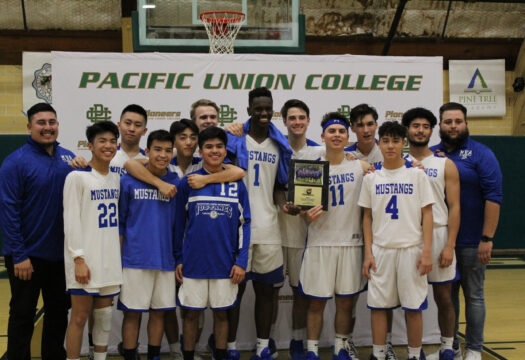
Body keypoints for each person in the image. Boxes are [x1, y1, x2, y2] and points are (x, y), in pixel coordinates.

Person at [0, 103, 74, 360]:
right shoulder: (15, 162)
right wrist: (19, 255)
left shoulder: (68, 158)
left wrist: (84, 167)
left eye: (51, 122)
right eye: (41, 123)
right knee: (22, 314)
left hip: (59, 258)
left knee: (57, 313)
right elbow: (8, 212)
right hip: (26, 258)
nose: (47, 127)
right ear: (29, 126)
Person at [430, 103, 502, 360]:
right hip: (442, 240)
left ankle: (474, 349)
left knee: (474, 296)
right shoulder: (431, 154)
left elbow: (494, 197)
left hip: (472, 241)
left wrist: (487, 238)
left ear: (466, 123)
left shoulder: (482, 154)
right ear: (440, 125)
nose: (452, 126)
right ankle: (451, 348)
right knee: (447, 299)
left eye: (457, 121)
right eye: (447, 121)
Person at [224, 87, 292, 360]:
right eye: (258, 108)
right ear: (249, 109)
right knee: (232, 293)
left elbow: (278, 186)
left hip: (268, 227)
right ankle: (229, 347)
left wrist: (285, 203)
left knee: (266, 293)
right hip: (236, 229)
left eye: (268, 108)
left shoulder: (279, 145)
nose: (264, 113)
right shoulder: (233, 140)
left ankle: (263, 346)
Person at [359, 121, 434, 360]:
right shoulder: (371, 177)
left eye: (395, 141)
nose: (390, 146)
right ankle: (378, 354)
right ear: (379, 143)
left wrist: (428, 250)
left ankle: (414, 354)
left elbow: (427, 214)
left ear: (404, 143)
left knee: (413, 307)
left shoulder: (417, 175)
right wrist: (368, 253)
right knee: (379, 307)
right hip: (381, 250)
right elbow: (367, 217)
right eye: (385, 141)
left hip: (411, 249)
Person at [175, 126, 251, 360]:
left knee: (222, 316)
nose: (214, 151)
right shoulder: (188, 183)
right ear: (200, 150)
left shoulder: (236, 184)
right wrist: (179, 258)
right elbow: (178, 225)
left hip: (225, 264)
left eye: (219, 146)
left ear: (225, 149)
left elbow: (246, 223)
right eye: (209, 147)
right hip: (194, 263)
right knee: (190, 316)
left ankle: (220, 355)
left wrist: (241, 261)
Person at [300, 112, 370, 360]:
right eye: (332, 131)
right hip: (320, 243)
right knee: (316, 302)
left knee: (345, 302)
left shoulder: (360, 167)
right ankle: (312, 350)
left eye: (341, 131)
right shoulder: (310, 170)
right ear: (322, 136)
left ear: (347, 136)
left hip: (351, 244)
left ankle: (340, 348)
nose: (337, 135)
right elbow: (301, 210)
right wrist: (305, 215)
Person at [401, 107, 461, 360]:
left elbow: (454, 207)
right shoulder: (397, 162)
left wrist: (449, 245)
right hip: (409, 237)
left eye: (426, 126)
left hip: (438, 233)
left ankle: (448, 346)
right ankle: (415, 351)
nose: (421, 130)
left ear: (432, 130)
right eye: (416, 125)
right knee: (412, 301)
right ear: (406, 130)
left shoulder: (444, 163)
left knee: (444, 296)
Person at [63, 121, 122, 360]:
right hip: (84, 258)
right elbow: (71, 221)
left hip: (108, 256)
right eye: (102, 141)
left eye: (111, 141)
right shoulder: (77, 176)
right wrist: (78, 258)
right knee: (78, 317)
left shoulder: (116, 178)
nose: (108, 146)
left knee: (104, 316)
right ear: (90, 145)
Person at [118, 130, 179, 360]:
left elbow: (177, 226)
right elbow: (121, 223)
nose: (162, 155)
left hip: (165, 261)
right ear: (147, 151)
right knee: (132, 315)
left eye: (166, 150)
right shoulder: (128, 181)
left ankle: (153, 356)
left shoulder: (176, 182)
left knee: (159, 313)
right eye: (157, 149)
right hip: (135, 259)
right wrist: (119, 258)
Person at [345, 104, 396, 360]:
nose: (365, 129)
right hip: (353, 234)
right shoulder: (342, 154)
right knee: (350, 294)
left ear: (376, 124)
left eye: (369, 124)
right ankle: (348, 341)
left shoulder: (390, 152)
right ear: (352, 128)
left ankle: (386, 344)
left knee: (385, 296)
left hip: (385, 237)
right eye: (360, 125)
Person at [278, 99, 325, 360]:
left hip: (302, 233)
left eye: (302, 117)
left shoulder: (319, 153)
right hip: (274, 231)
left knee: (299, 292)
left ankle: (297, 341)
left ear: (308, 121)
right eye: (292, 117)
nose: (297, 122)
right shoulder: (275, 149)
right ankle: (269, 341)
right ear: (284, 121)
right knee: (269, 292)